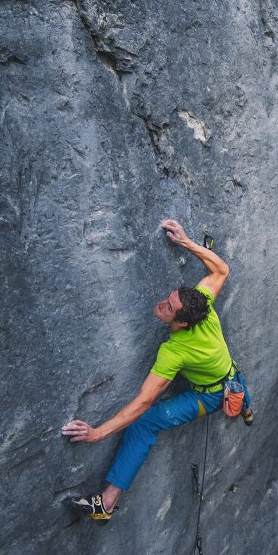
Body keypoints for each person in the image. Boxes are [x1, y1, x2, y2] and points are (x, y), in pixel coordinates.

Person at [61, 219, 253, 522]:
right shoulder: (202, 303)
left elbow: (144, 403)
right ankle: (246, 408)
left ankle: (106, 504)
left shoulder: (173, 352)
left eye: (168, 308)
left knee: (145, 424)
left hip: (210, 396)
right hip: (228, 374)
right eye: (169, 298)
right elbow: (221, 270)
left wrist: (97, 434)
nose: (162, 303)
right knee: (233, 378)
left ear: (183, 323)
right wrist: (186, 242)